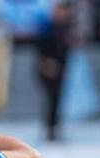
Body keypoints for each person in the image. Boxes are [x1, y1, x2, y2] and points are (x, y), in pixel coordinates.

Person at [37, 1, 75, 141]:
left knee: (57, 99)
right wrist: (46, 62)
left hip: (61, 66)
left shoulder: (66, 28)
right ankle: (50, 128)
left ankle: (55, 127)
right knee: (51, 99)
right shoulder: (47, 27)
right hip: (48, 66)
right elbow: (40, 47)